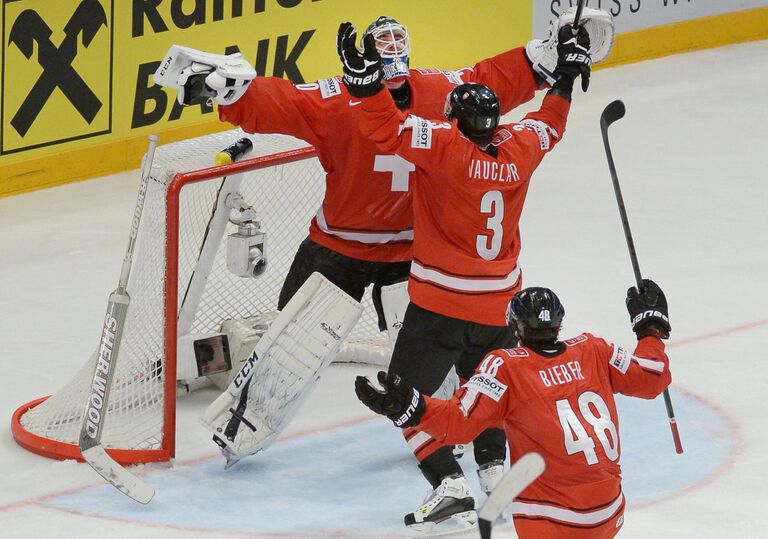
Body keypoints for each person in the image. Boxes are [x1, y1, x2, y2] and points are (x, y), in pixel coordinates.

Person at [156, 14, 586, 497]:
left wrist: (229, 92)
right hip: (373, 251)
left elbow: (289, 102)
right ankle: (466, 442)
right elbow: (493, 85)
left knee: (388, 361)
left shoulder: (358, 100)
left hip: (400, 253)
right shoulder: (445, 101)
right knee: (289, 345)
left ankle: (447, 445)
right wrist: (556, 63)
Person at [339, 21, 592, 533]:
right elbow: (551, 121)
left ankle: (450, 483)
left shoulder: (444, 147)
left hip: (440, 306)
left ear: (454, 120)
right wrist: (565, 75)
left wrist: (363, 81)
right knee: (488, 393)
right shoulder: (520, 146)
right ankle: (496, 470)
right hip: (502, 308)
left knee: (402, 399)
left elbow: (385, 126)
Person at [356, 281, 673, 538]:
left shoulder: (505, 366)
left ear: (514, 326)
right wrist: (651, 328)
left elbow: (459, 425)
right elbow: (652, 378)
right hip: (609, 511)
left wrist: (412, 408)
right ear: (559, 323)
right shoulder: (594, 348)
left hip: (551, 519)